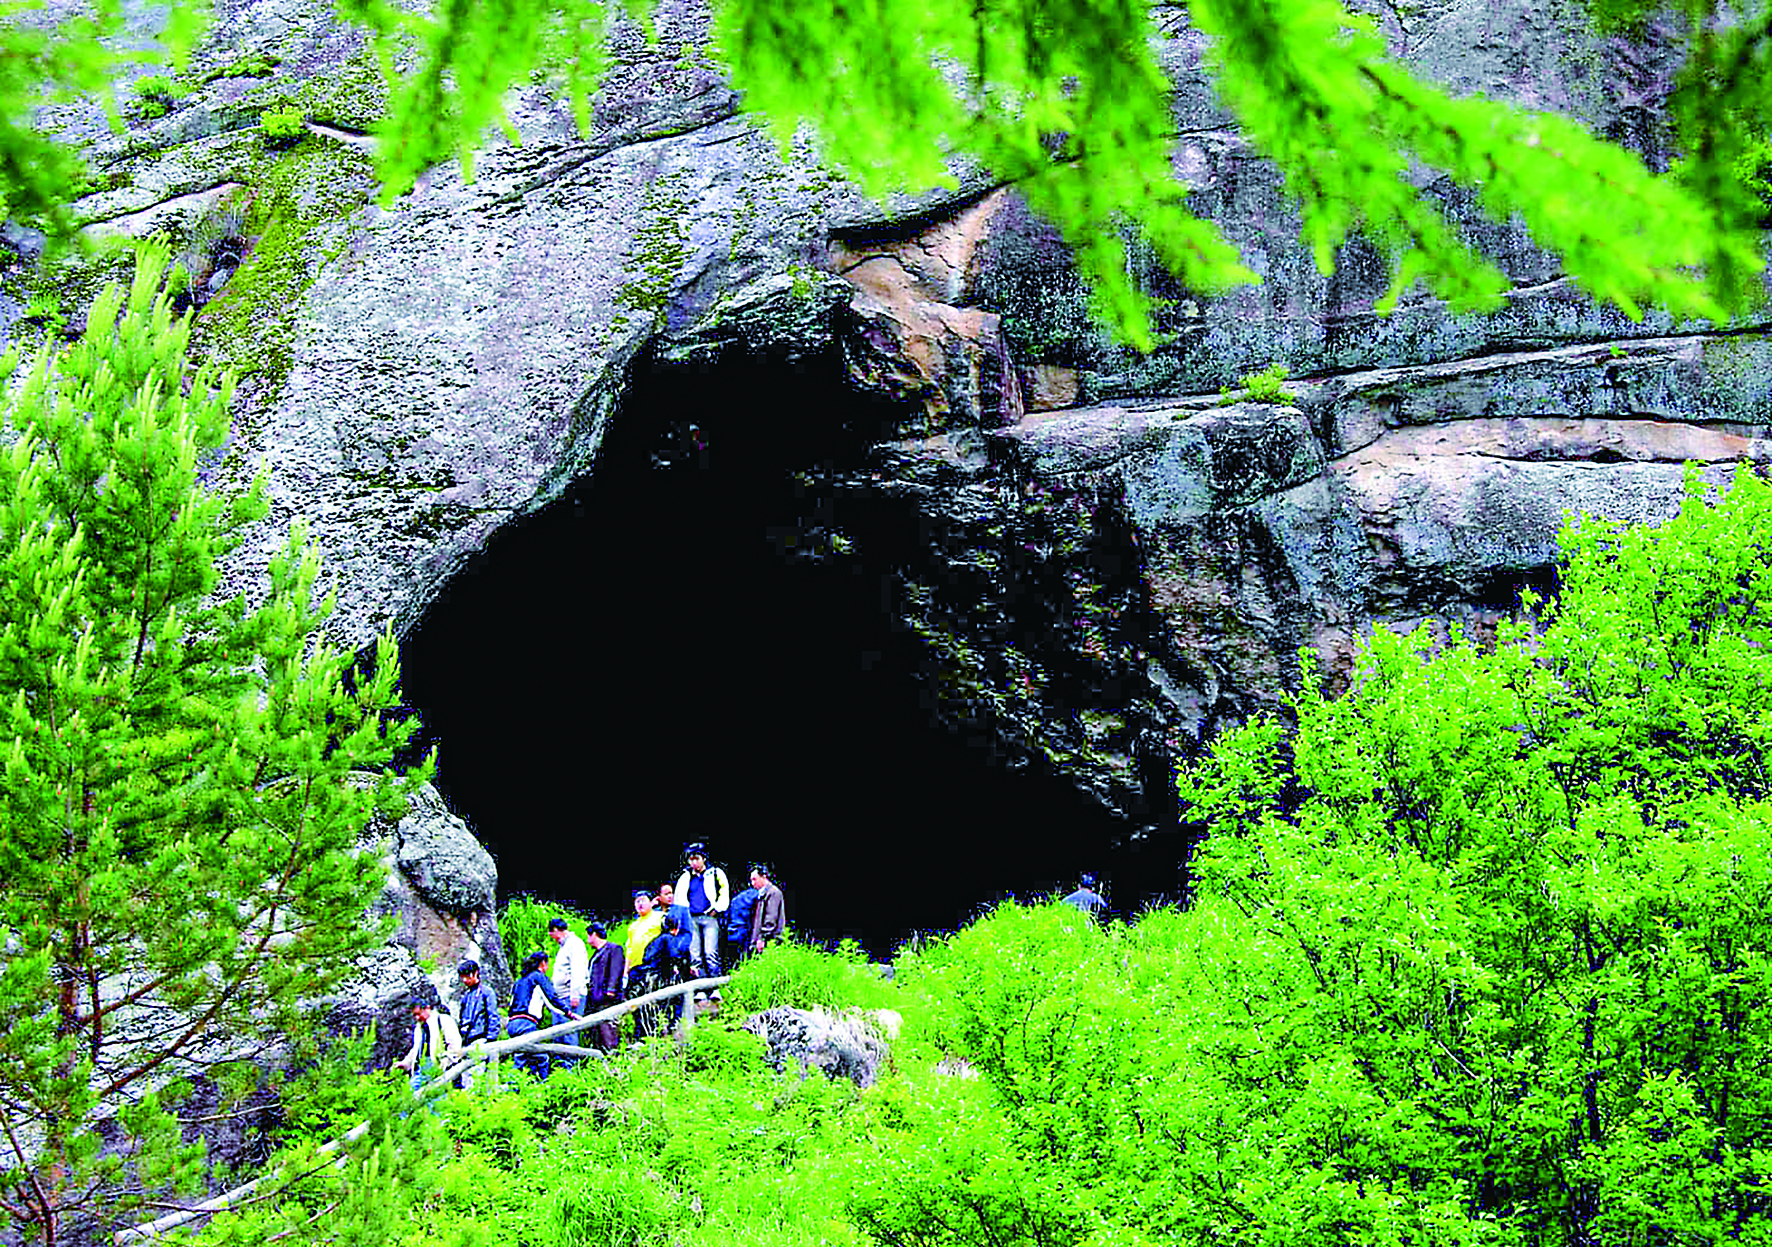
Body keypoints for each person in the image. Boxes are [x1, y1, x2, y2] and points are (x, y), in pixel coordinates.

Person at [507, 949, 577, 1081]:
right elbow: (552, 998)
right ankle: (535, 1088)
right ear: (542, 964)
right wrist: (568, 1013)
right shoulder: (538, 978)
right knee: (537, 1058)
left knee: (525, 1056)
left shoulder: (520, 981)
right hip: (526, 1023)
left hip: (512, 1023)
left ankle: (525, 1088)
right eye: (547, 964)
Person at [673, 844, 730, 1001]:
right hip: (692, 919)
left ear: (704, 858)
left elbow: (724, 892)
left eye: (696, 858)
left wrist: (718, 908)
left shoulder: (715, 873)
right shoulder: (686, 876)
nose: (693, 863)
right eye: (691, 859)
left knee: (710, 952)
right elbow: (679, 898)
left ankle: (715, 988)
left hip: (709, 917)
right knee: (695, 955)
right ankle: (700, 989)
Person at [394, 988, 462, 1092]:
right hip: (421, 1066)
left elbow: (454, 1044)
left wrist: (445, 1063)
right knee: (412, 1094)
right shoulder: (419, 1028)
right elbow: (416, 1048)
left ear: (427, 1009)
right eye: (414, 1015)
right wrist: (406, 1063)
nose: (417, 1018)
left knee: (436, 1097)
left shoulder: (443, 1020)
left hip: (437, 1065)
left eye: (419, 1013)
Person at [631, 913, 685, 1038]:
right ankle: (673, 1023)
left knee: (650, 1006)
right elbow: (673, 956)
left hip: (646, 975)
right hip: (659, 976)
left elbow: (646, 957)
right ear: (676, 928)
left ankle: (648, 1033)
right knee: (676, 997)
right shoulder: (669, 938)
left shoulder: (655, 940)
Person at [548, 916, 590, 1059]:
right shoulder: (564, 946)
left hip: (569, 996)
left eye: (552, 934)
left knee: (569, 1031)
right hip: (561, 997)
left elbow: (577, 970)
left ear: (556, 931)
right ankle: (560, 1067)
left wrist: (575, 994)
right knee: (559, 1032)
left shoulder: (574, 944)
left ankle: (571, 1066)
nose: (552, 937)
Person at [455, 959, 500, 1090]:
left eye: (467, 976)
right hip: (467, 1040)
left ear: (476, 973)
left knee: (477, 1074)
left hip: (480, 1038)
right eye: (463, 977)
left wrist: (491, 1038)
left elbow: (493, 1015)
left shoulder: (486, 992)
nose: (465, 981)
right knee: (466, 1076)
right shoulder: (466, 996)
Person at [586, 923, 625, 1053]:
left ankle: (612, 1058)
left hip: (606, 998)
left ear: (594, 935)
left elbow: (616, 969)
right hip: (595, 998)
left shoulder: (613, 949)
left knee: (608, 1030)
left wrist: (611, 990)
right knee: (597, 1033)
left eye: (588, 935)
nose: (587, 939)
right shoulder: (596, 953)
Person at [624, 889, 664, 971]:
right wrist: (625, 971)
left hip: (654, 964)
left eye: (643, 900)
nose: (640, 904)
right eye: (637, 902)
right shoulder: (632, 926)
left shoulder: (660, 917)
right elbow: (629, 950)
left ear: (651, 903)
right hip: (635, 967)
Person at [748, 865, 785, 953]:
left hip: (770, 941)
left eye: (755, 879)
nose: (753, 883)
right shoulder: (762, 894)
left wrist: (762, 938)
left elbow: (771, 918)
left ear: (763, 877)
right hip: (760, 940)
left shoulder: (773, 893)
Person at [725, 878, 759, 969]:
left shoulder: (735, 900)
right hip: (744, 930)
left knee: (734, 958)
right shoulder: (755, 895)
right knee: (747, 954)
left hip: (732, 931)